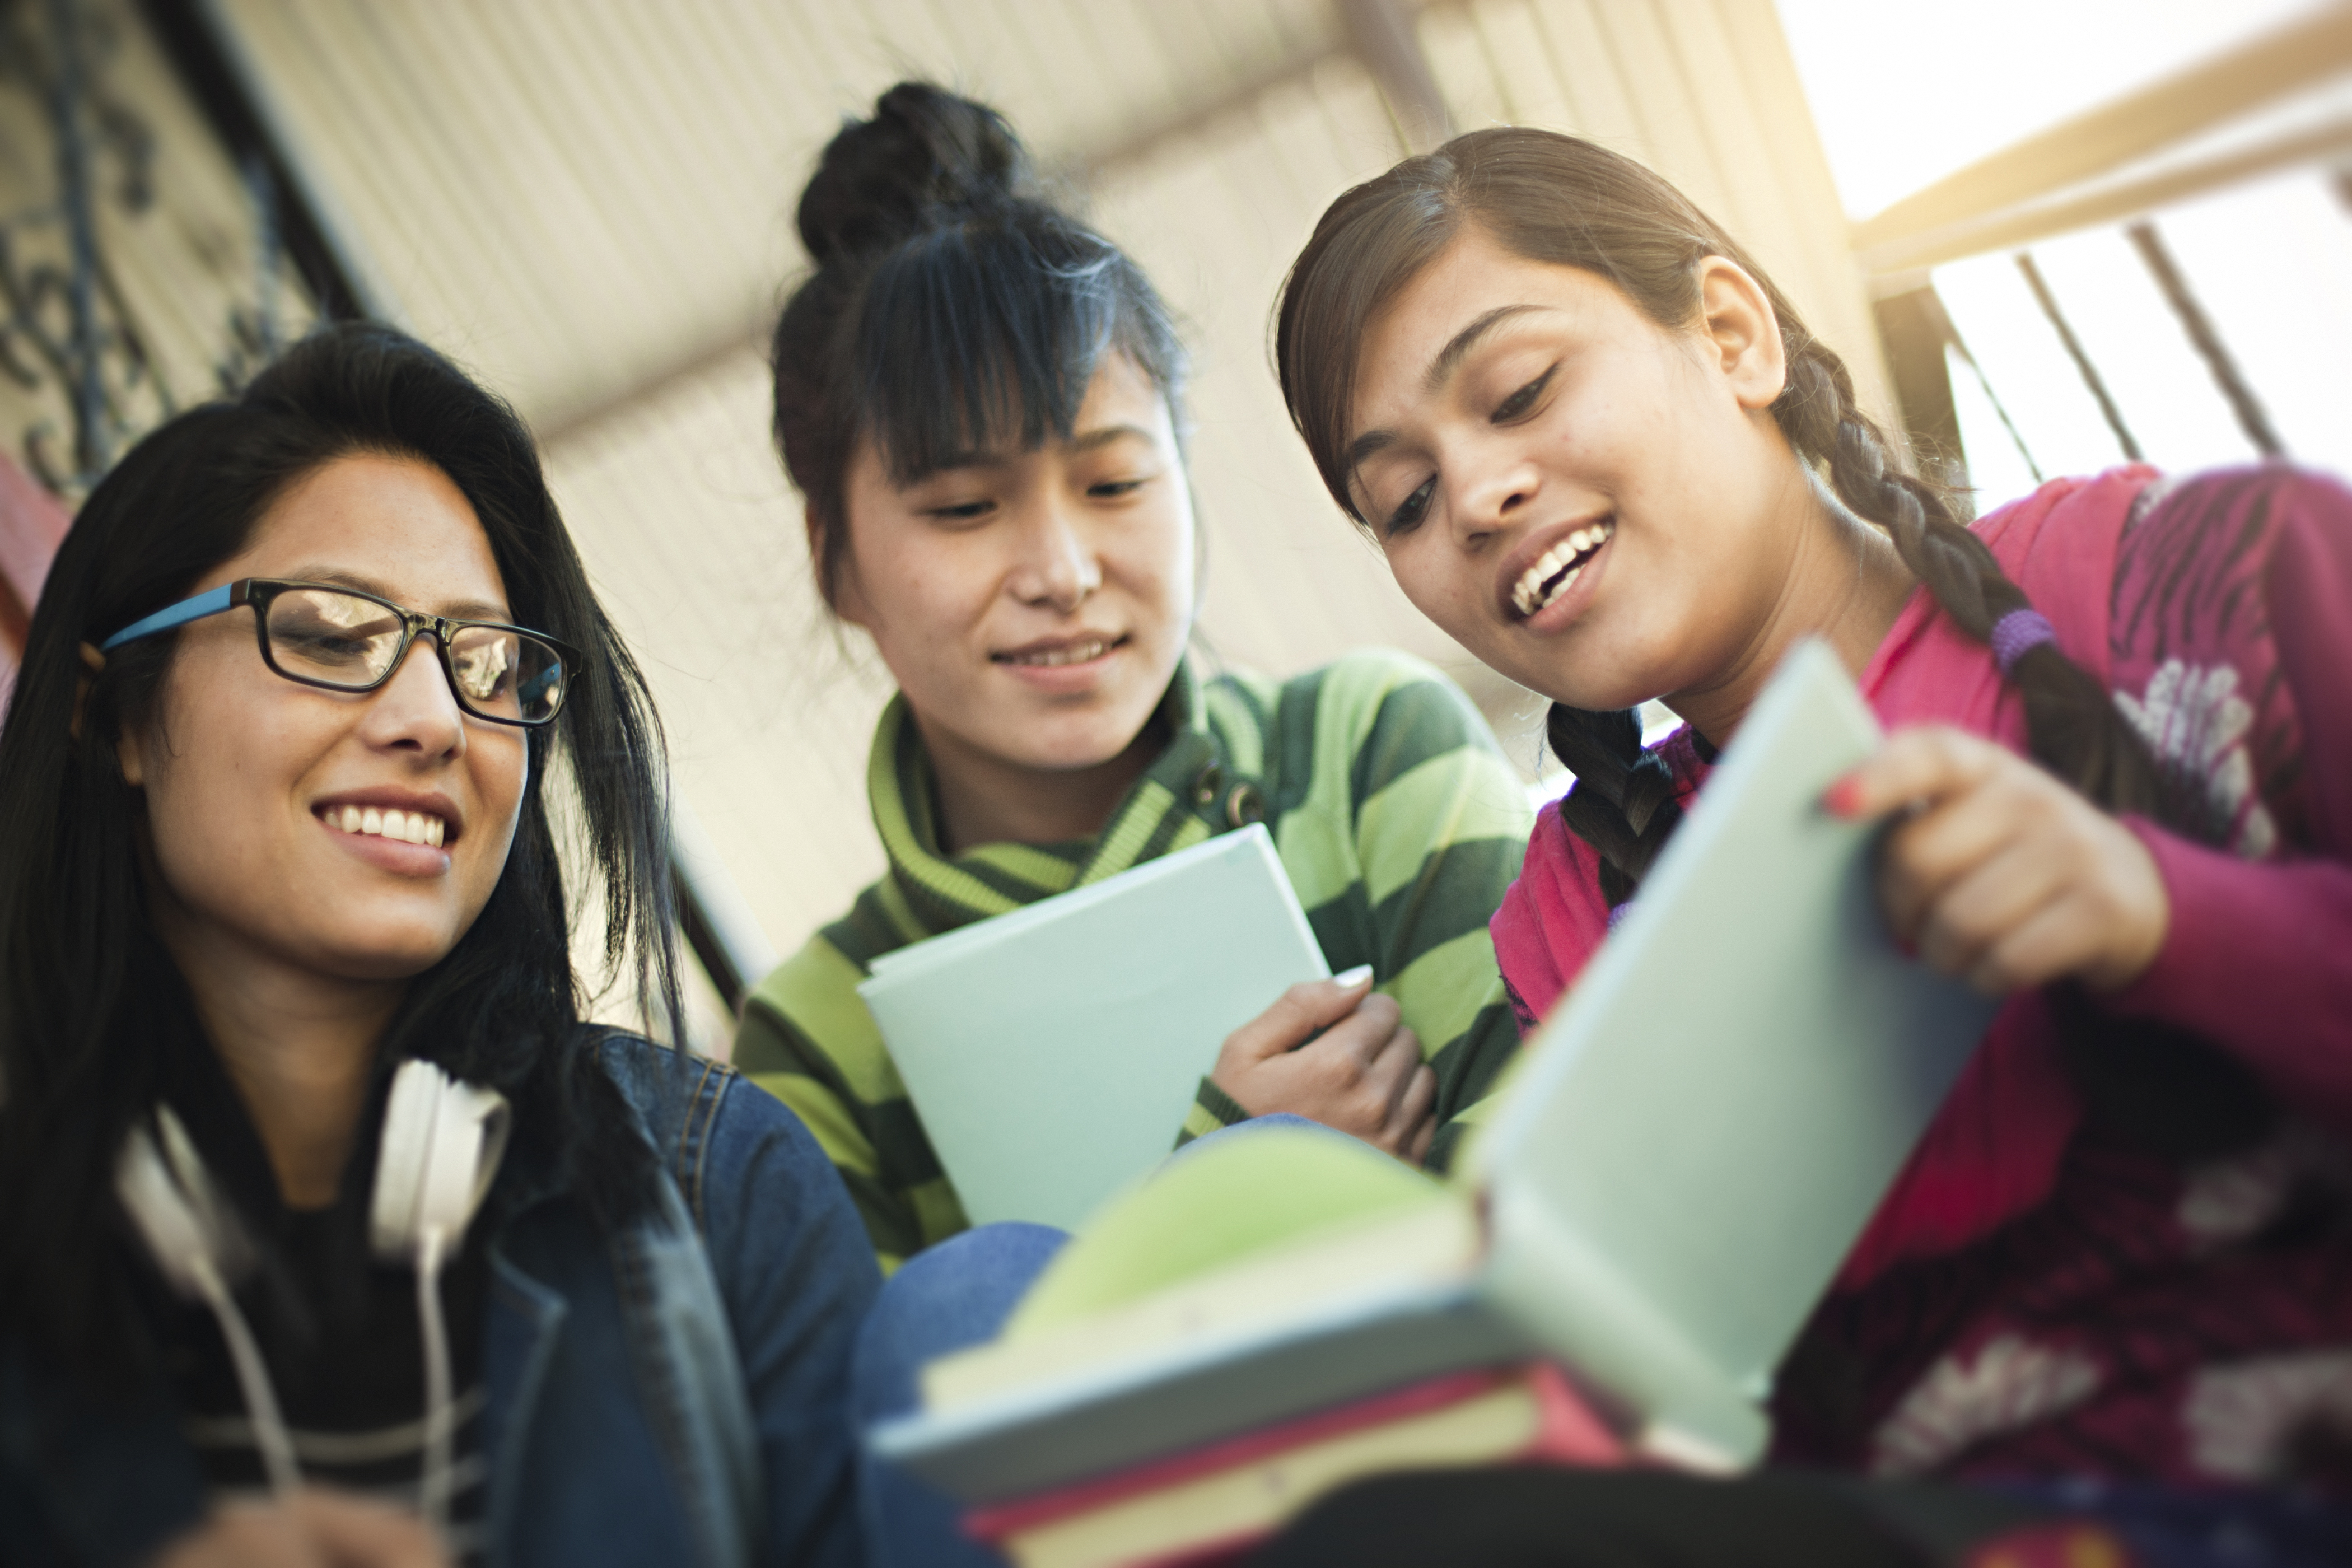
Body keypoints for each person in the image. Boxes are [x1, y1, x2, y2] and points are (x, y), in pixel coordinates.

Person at [1249, 126, 2352, 1564]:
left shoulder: (2204, 576)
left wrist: (2159, 913)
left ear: (1730, 333)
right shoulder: (1571, 919)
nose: (1471, 496)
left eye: (1519, 391)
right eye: (1400, 499)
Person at [0, 324, 878, 1567]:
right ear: (118, 716)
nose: (431, 719)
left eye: (486, 660)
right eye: (326, 632)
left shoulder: (721, 1184)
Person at [731, 83, 1534, 1275]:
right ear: (833, 561)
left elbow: (1538, 1189)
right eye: (963, 507)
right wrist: (1231, 1181)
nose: (1062, 571)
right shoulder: (812, 1041)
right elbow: (921, 1443)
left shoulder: (1367, 753)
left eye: (1113, 485)